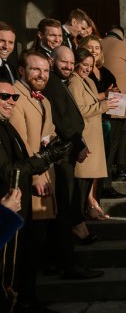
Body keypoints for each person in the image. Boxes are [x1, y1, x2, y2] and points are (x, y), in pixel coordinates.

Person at [0, 80, 72, 313]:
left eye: (14, 98)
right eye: (4, 97)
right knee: (6, 265)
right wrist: (44, 159)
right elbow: (9, 170)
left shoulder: (6, 125)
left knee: (21, 257)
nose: (11, 102)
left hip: (16, 203)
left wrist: (47, 156)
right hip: (5, 204)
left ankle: (24, 301)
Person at [43, 46, 104, 278]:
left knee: (65, 210)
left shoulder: (59, 82)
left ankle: (57, 262)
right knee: (66, 209)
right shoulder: (52, 83)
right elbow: (61, 119)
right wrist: (78, 144)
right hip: (63, 154)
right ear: (52, 61)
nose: (68, 66)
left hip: (69, 150)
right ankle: (67, 265)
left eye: (71, 63)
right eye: (64, 62)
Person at [68, 46, 119, 222]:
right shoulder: (74, 82)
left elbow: (94, 102)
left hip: (93, 135)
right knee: (82, 182)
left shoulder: (87, 81)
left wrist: (108, 99)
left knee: (89, 181)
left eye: (91, 65)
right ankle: (78, 220)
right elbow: (79, 110)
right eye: (85, 64)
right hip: (86, 136)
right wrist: (105, 105)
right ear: (76, 63)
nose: (88, 68)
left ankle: (84, 214)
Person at [79, 35, 125, 200]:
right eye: (90, 48)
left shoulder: (106, 72)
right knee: (91, 165)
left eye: (97, 48)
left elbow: (114, 92)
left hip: (106, 121)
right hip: (90, 123)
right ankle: (90, 200)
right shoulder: (82, 73)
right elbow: (86, 99)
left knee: (102, 164)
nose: (94, 51)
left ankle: (94, 199)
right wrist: (105, 95)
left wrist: (116, 96)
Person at [101, 25, 126, 183]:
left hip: (96, 95)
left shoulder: (96, 44)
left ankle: (112, 174)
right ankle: (117, 173)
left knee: (108, 138)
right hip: (118, 97)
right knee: (118, 137)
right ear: (122, 37)